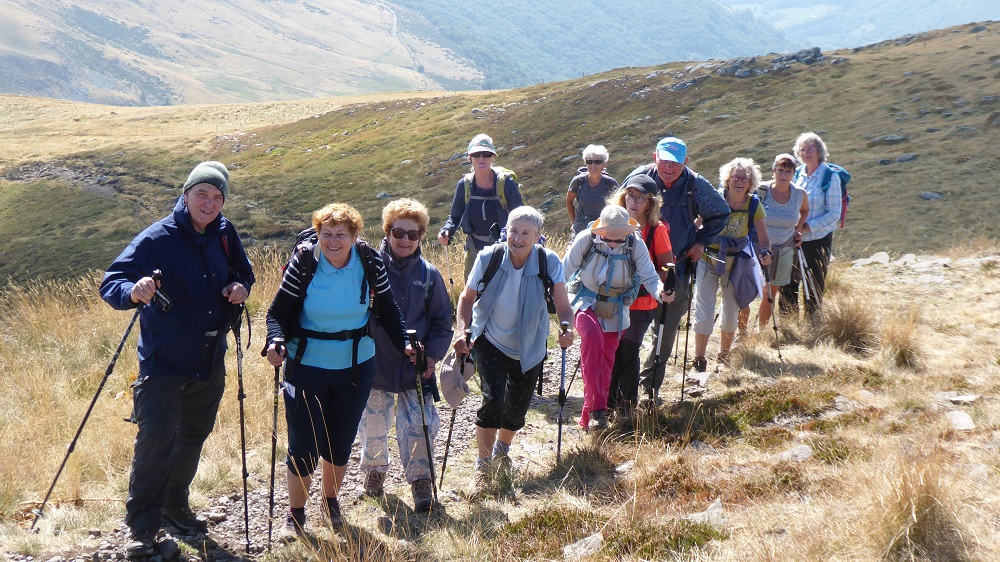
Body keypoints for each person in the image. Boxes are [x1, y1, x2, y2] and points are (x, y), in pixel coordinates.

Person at [99, 161, 255, 559]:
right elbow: (112, 282)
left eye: (217, 197)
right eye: (202, 194)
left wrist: (240, 287)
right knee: (155, 443)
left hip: (209, 359)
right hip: (163, 362)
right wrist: (133, 291)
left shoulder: (225, 233)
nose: (209, 203)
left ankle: (174, 504)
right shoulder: (158, 237)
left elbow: (244, 273)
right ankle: (142, 528)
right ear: (186, 195)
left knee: (193, 436)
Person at [263, 203, 410, 539]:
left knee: (340, 442)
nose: (332, 241)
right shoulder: (305, 262)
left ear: (354, 236)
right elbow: (277, 314)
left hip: (356, 366)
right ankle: (296, 514)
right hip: (306, 365)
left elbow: (389, 310)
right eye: (326, 234)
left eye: (340, 234)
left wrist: (405, 343)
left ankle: (330, 503)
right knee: (303, 445)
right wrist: (275, 341)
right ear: (318, 235)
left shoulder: (369, 261)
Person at [452, 206, 574, 498]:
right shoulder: (489, 257)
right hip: (490, 339)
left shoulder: (548, 261)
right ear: (506, 231)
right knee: (493, 400)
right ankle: (483, 467)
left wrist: (567, 328)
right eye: (513, 231)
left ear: (538, 236)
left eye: (526, 233)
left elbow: (563, 305)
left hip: (530, 345)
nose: (518, 238)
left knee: (517, 409)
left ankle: (502, 451)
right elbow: (466, 299)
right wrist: (461, 331)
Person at [358, 198, 453, 512]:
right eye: (398, 232)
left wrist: (432, 357)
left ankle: (421, 481)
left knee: (420, 425)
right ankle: (374, 473)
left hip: (417, 368)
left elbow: (442, 323)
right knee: (373, 426)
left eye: (413, 234)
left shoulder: (429, 276)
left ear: (421, 237)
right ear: (387, 231)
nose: (405, 240)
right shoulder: (368, 270)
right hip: (376, 365)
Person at [623, 137, 730, 399]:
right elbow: (616, 208)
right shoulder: (639, 179)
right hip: (631, 271)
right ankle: (621, 389)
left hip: (675, 269)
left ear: (686, 162)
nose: (669, 167)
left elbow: (721, 213)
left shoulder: (695, 185)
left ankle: (650, 387)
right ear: (654, 158)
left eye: (675, 163)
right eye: (664, 161)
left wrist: (702, 242)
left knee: (665, 330)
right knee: (627, 331)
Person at [564, 204, 673, 429]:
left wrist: (661, 293)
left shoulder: (635, 244)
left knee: (606, 364)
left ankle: (590, 420)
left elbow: (650, 278)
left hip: (617, 308)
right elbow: (562, 272)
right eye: (608, 237)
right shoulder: (585, 240)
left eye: (618, 238)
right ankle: (597, 409)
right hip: (585, 299)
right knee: (592, 336)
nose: (613, 242)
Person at [692, 158, 772, 372]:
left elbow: (764, 238)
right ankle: (699, 359)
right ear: (728, 179)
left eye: (744, 179)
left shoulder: (753, 205)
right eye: (736, 177)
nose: (739, 181)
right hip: (709, 259)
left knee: (730, 314)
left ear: (751, 183)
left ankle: (724, 356)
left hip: (736, 264)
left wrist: (765, 252)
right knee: (704, 310)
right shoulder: (715, 199)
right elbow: (696, 226)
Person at [607, 176, 674, 417]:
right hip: (612, 300)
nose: (634, 202)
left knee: (628, 349)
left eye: (641, 198)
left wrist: (658, 285)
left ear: (650, 203)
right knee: (612, 350)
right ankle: (609, 403)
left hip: (642, 302)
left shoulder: (657, 230)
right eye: (630, 196)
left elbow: (667, 265)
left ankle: (626, 405)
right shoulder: (612, 223)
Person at [438, 133, 525, 280]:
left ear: (493, 157)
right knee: (472, 290)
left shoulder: (506, 183)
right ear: (470, 158)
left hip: (505, 249)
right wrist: (447, 231)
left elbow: (521, 217)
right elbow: (455, 216)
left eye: (486, 154)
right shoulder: (464, 185)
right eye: (476, 154)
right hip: (474, 249)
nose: (481, 158)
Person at [780, 132, 842, 317]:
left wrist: (807, 227)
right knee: (788, 281)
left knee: (813, 283)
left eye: (810, 149)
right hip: (793, 238)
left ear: (819, 151)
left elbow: (834, 214)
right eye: (803, 149)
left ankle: (813, 322)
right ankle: (788, 321)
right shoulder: (798, 174)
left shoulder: (830, 177)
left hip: (817, 240)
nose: (806, 153)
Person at [757, 154, 808, 329]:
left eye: (788, 171)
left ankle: (760, 332)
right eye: (780, 170)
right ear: (773, 171)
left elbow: (805, 210)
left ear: (794, 174)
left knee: (770, 292)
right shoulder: (761, 190)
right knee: (751, 290)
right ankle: (741, 332)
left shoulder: (799, 194)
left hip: (785, 249)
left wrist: (797, 229)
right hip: (759, 247)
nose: (784, 175)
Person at [566, 144, 619, 235]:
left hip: (603, 231)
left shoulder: (610, 184)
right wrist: (574, 222)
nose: (593, 165)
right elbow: (569, 201)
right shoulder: (578, 181)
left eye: (597, 162)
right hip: (580, 230)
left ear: (604, 164)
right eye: (589, 162)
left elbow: (619, 205)